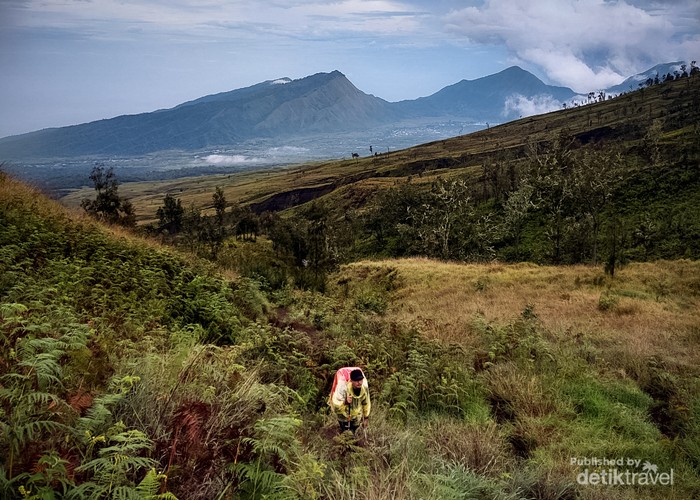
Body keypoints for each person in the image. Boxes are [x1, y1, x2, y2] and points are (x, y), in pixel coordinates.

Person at [330, 367, 371, 433]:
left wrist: (366, 417)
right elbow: (336, 404)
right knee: (346, 432)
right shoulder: (342, 387)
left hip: (356, 414)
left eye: (361, 380)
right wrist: (345, 402)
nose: (359, 383)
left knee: (354, 432)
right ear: (351, 381)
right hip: (343, 415)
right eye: (356, 381)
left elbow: (366, 402)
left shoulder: (364, 387)